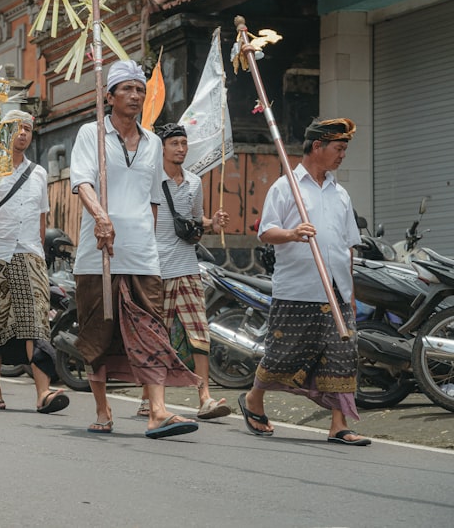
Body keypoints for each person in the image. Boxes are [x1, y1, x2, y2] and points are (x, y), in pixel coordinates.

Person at [70, 60, 199, 438]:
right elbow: (81, 182)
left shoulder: (153, 141)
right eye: (126, 89)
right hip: (99, 253)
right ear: (108, 96)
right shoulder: (89, 135)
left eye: (140, 89)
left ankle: (157, 411)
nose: (135, 95)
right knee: (98, 331)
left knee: (151, 329)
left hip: (143, 253)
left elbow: (154, 199)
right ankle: (102, 409)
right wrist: (101, 217)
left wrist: (152, 240)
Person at [241, 118, 371, 446]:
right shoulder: (287, 188)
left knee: (342, 356)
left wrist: (350, 292)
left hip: (336, 292)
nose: (342, 155)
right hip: (297, 290)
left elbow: (347, 247)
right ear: (317, 147)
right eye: (338, 148)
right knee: (283, 355)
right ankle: (254, 398)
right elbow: (265, 231)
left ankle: (338, 425)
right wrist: (293, 233)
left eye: (344, 149)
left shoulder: (340, 194)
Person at [0, 110, 68, 414]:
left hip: (30, 256)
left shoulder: (38, 173)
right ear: (3, 132)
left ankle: (43, 393)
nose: (22, 133)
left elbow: (41, 218)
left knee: (35, 323)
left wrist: (40, 254)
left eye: (27, 128)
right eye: (16, 128)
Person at [152, 123, 232, 420]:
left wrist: (214, 223)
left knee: (199, 332)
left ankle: (205, 397)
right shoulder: (150, 180)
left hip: (187, 267)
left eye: (184, 143)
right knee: (156, 335)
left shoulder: (195, 183)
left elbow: (196, 221)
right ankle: (151, 397)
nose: (181, 149)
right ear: (162, 148)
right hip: (155, 269)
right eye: (175, 144)